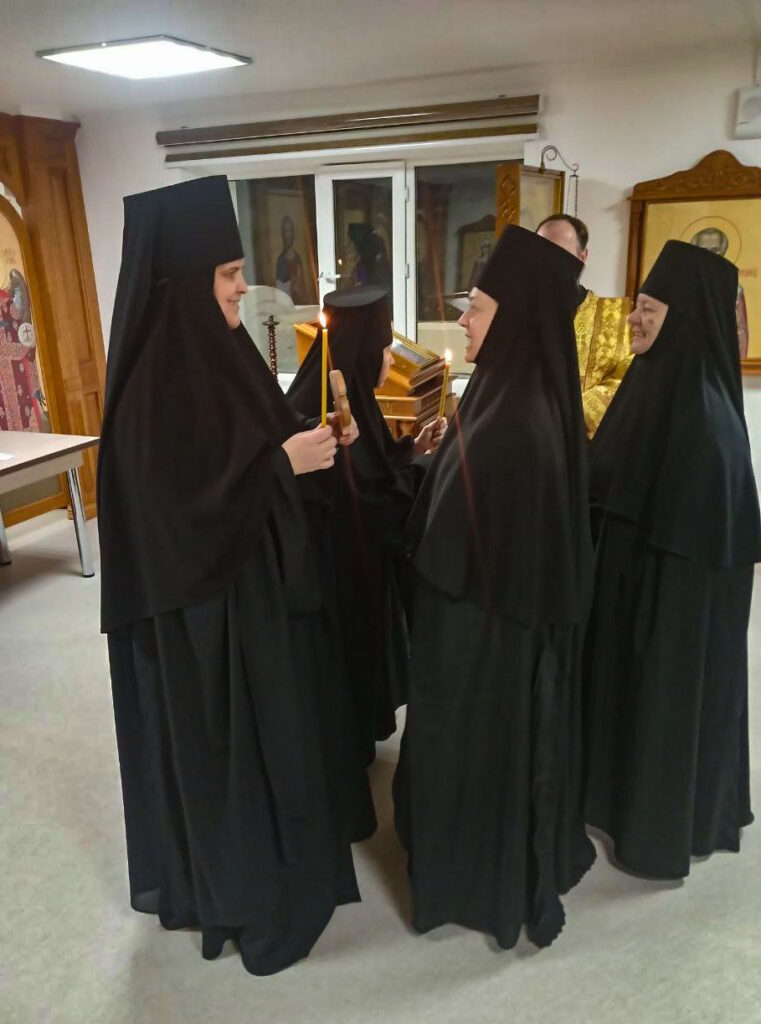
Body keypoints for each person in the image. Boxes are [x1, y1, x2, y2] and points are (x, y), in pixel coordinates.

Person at [98, 175, 373, 976]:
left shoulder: (227, 356)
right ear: (183, 283)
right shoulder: (150, 390)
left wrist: (317, 442)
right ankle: (250, 897)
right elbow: (174, 519)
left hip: (257, 610)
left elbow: (255, 446)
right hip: (209, 635)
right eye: (226, 273)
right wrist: (279, 468)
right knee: (238, 770)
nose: (242, 287)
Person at [393, 225, 596, 950]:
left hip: (483, 647)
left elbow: (471, 532)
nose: (464, 322)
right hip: (479, 627)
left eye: (476, 309)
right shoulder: (503, 390)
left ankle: (472, 879)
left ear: (513, 315)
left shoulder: (514, 419)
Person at [584, 240, 761, 879]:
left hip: (669, 624)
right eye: (637, 305)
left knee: (662, 708)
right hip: (632, 600)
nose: (633, 319)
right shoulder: (651, 385)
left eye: (649, 310)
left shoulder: (706, 421)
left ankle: (656, 824)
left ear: (684, 318)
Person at [288, 285, 445, 761]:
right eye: (385, 350)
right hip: (338, 578)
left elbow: (375, 467)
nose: (391, 362)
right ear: (363, 351)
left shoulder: (356, 396)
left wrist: (412, 449)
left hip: (356, 567)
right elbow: (367, 500)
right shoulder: (324, 411)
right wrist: (428, 472)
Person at [537, 214, 633, 438]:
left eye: (560, 252)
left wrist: (563, 418)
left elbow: (625, 380)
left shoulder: (617, 317)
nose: (549, 261)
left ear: (583, 257)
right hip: (527, 442)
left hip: (587, 445)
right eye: (541, 251)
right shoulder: (517, 315)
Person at [690, 226, 750, 359]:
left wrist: (740, 361)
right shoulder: (682, 285)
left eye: (715, 250)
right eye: (704, 249)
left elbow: (740, 329)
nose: (709, 254)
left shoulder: (734, 289)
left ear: (722, 252)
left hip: (721, 357)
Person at [274, 214, 307, 304]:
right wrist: (292, 284)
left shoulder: (297, 257)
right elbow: (280, 289)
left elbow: (303, 287)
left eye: (290, 230)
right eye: (286, 231)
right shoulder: (281, 259)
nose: (288, 234)